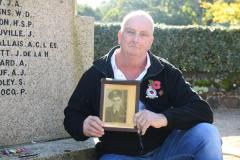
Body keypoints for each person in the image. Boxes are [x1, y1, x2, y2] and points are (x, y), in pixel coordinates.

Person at [64, 10, 223, 160]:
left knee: (207, 133)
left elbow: (202, 111)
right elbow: (71, 116)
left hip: (165, 149)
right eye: (130, 32)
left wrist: (163, 118)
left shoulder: (165, 72)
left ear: (151, 41)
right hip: (118, 155)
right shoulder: (96, 74)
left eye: (143, 34)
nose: (135, 39)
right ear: (120, 36)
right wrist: (84, 125)